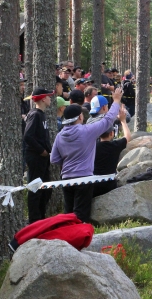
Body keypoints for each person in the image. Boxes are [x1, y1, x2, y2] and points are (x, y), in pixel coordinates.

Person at [51, 86, 123, 222]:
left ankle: (66, 238)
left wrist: (67, 164)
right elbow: (107, 120)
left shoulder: (60, 135)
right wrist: (116, 101)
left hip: (66, 178)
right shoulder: (87, 131)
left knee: (68, 213)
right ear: (80, 116)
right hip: (84, 178)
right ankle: (79, 239)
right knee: (81, 214)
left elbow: (54, 158)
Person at [24, 88, 54, 223]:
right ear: (43, 99)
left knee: (46, 189)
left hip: (43, 157)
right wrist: (41, 150)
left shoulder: (42, 114)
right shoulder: (35, 115)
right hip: (36, 157)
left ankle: (41, 217)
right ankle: (34, 219)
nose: (50, 99)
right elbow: (28, 136)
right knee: (35, 189)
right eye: (48, 96)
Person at [92, 105, 132, 197]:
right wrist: (123, 121)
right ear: (111, 133)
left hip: (94, 184)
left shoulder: (93, 146)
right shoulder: (115, 146)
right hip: (110, 184)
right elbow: (128, 137)